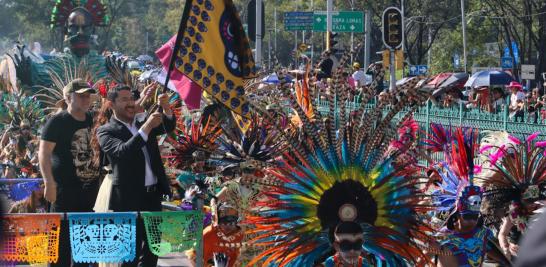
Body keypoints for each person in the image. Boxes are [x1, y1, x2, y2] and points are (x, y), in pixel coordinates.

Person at [97, 85, 175, 266]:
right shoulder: (106, 131)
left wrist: (166, 107)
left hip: (153, 196)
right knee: (129, 256)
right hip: (127, 199)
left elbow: (168, 125)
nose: (130, 103)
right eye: (124, 100)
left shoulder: (142, 123)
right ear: (111, 104)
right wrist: (147, 127)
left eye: (131, 98)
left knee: (152, 252)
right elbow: (123, 151)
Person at [39, 78, 101, 266]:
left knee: (84, 251)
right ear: (67, 97)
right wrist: (49, 183)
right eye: (81, 95)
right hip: (63, 192)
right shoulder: (57, 121)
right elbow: (44, 153)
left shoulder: (93, 119)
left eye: (88, 96)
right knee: (59, 248)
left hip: (89, 192)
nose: (86, 99)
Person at [202, 201, 244, 267]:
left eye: (231, 223)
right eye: (224, 223)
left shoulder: (241, 236)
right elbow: (194, 257)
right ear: (218, 222)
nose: (228, 226)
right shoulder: (208, 233)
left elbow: (237, 258)